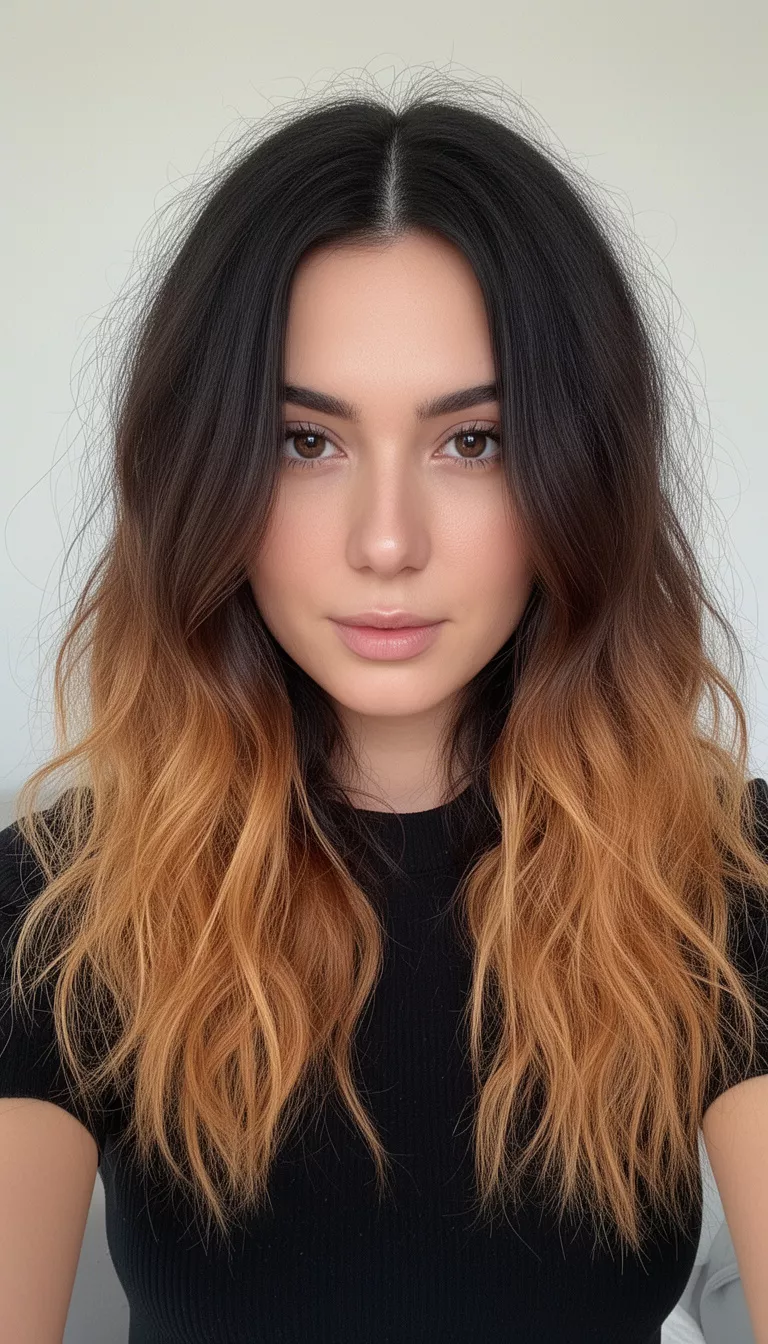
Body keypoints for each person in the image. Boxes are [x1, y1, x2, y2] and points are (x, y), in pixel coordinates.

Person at [2, 75, 768, 1344]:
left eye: (475, 441)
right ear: (205, 468)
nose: (388, 540)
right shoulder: (63, 908)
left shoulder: (722, 877)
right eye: (308, 442)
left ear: (583, 472)